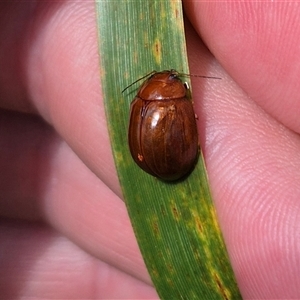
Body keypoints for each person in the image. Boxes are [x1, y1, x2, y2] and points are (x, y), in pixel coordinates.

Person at [1, 1, 300, 298]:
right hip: (163, 160)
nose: (172, 77)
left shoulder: (143, 102)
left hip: (158, 160)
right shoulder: (172, 104)